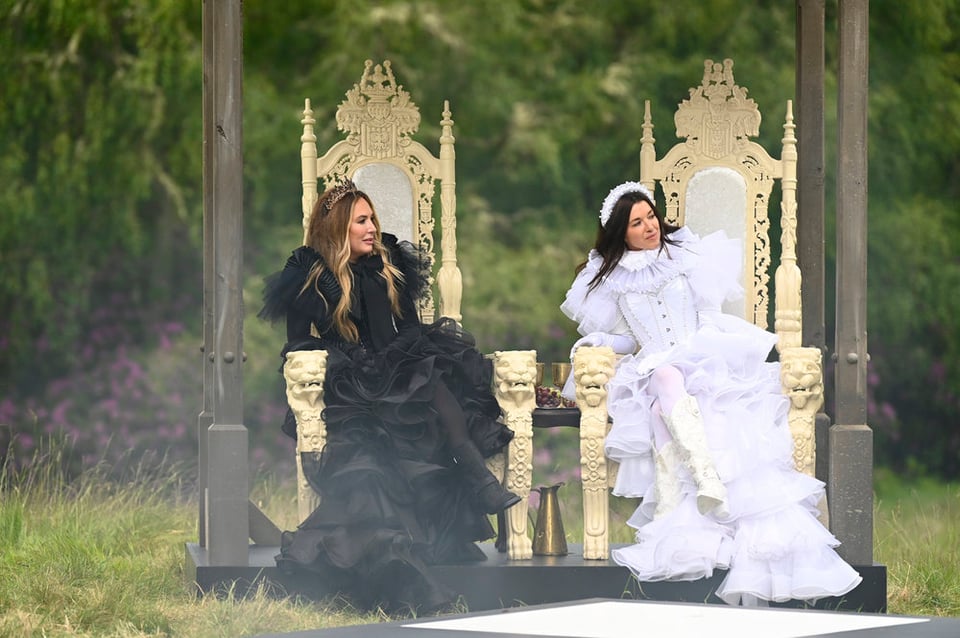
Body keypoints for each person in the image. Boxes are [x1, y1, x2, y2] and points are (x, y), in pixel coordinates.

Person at [560, 181, 862, 606]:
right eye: (637, 222)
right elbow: (630, 340)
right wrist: (598, 343)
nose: (649, 227)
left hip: (703, 355)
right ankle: (694, 492)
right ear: (620, 233)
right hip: (657, 369)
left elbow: (707, 318)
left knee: (672, 384)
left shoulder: (685, 257)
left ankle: (702, 486)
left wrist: (695, 356)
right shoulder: (611, 278)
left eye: (651, 216)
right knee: (662, 382)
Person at [259, 180, 519, 614]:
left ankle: (477, 476)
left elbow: (410, 330)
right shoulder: (312, 274)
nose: (372, 228)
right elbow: (298, 343)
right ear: (339, 229)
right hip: (352, 381)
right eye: (361, 221)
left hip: (397, 367)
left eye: (373, 219)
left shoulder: (389, 263)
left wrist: (410, 360)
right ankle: (398, 557)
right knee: (376, 451)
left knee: (432, 375)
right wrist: (345, 359)